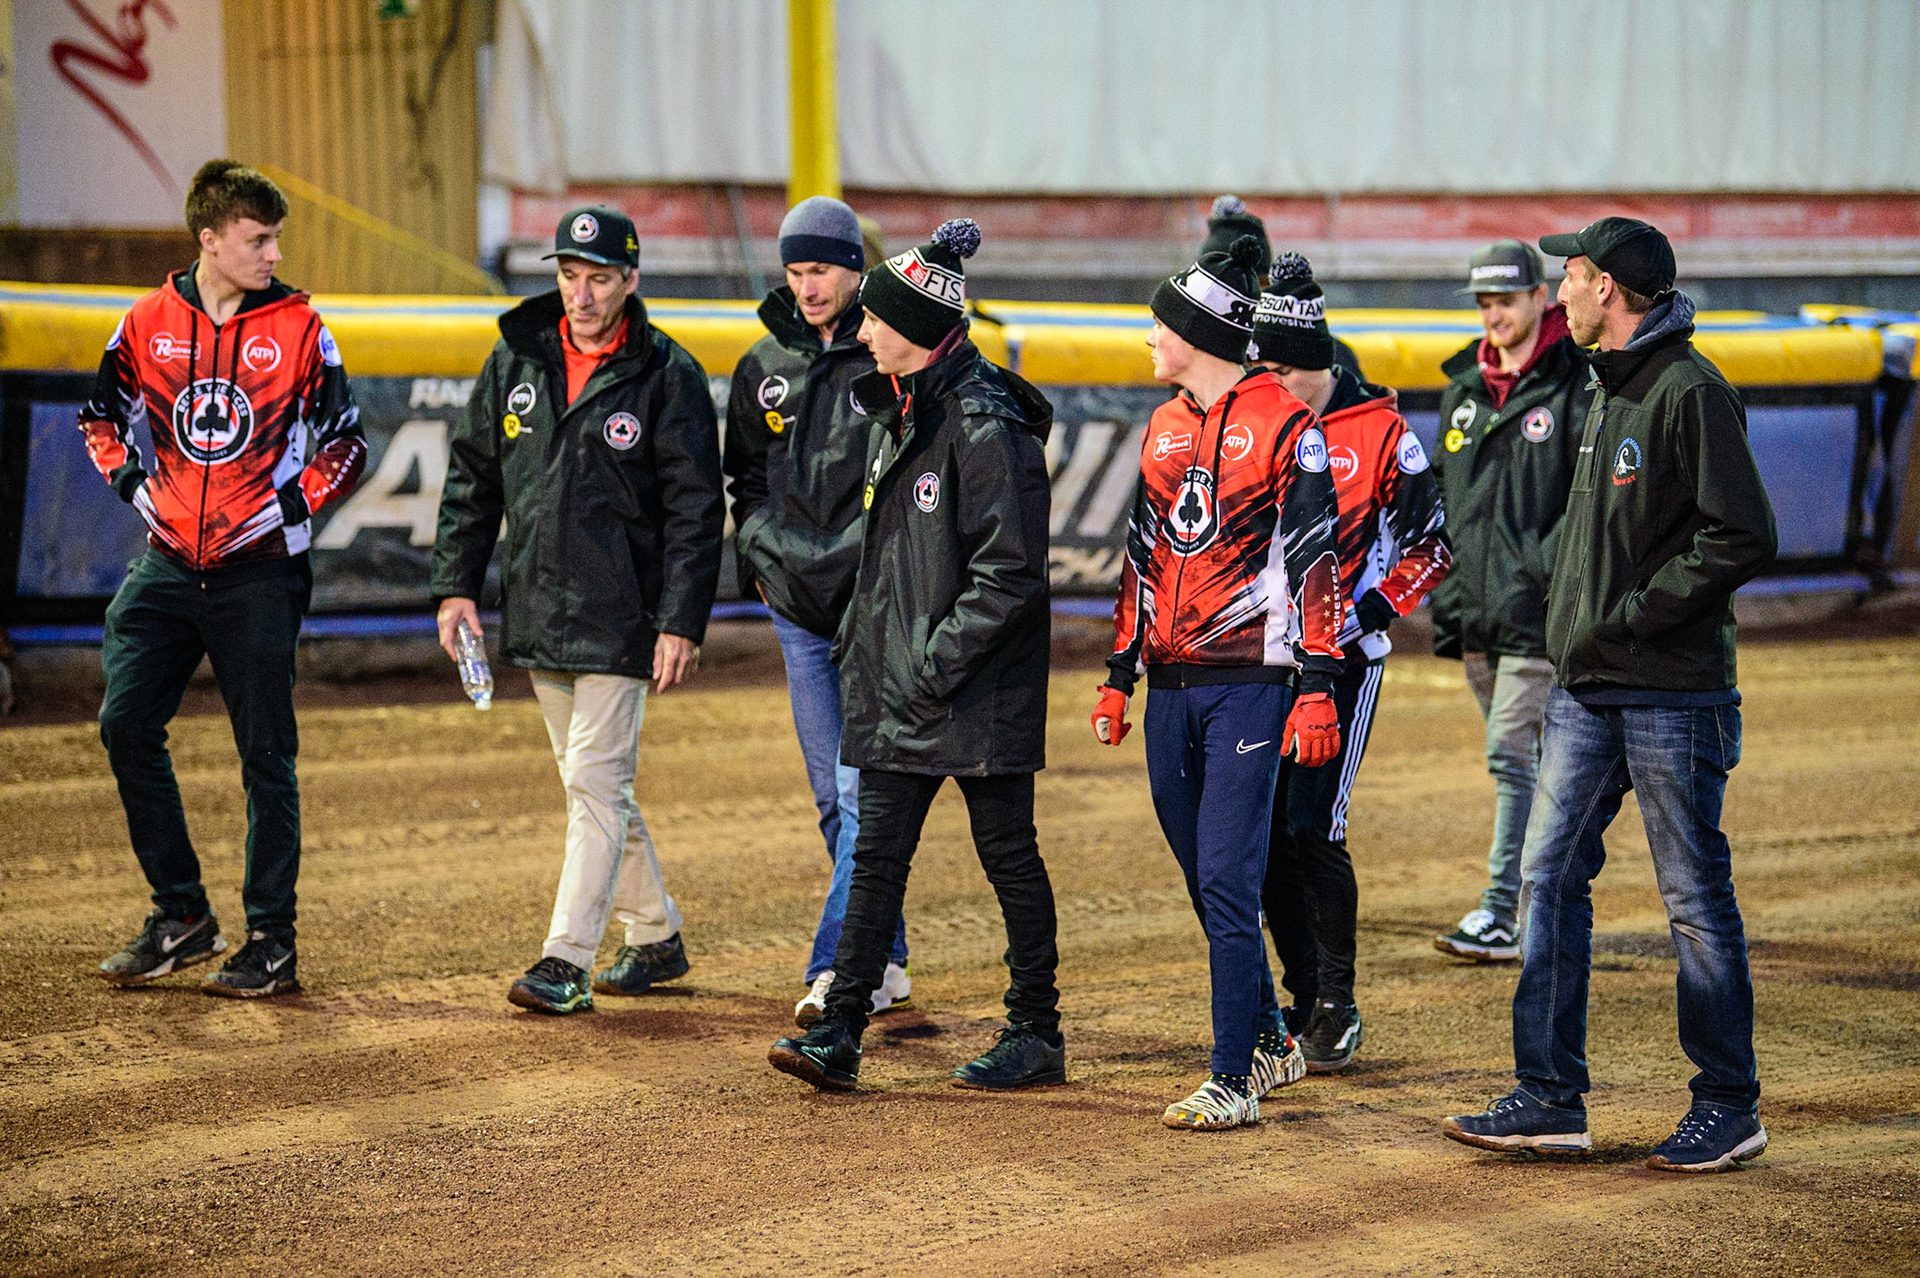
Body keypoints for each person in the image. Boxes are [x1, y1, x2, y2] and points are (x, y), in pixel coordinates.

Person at [1444, 218, 1777, 1174]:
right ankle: (1550, 1097)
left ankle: (1728, 1103)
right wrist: (1583, 624)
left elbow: (1743, 534)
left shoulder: (1688, 390)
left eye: (1573, 276)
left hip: (1671, 691)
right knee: (1547, 878)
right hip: (1592, 688)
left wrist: (1629, 616)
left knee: (1693, 899)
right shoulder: (1607, 387)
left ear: (1609, 289)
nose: (1560, 294)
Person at [767, 220, 1064, 1093]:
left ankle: (1037, 1031)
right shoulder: (898, 409)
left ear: (922, 330)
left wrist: (932, 665)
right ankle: (844, 1028)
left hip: (970, 688)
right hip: (911, 683)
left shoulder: (984, 424)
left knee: (1009, 857)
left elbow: (1009, 574)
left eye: (875, 319)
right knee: (877, 855)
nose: (860, 331)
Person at [432, 206, 723, 1015]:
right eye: (569, 276)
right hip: (539, 607)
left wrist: (681, 621)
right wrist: (456, 583)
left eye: (599, 278)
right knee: (593, 787)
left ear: (630, 281)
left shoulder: (669, 375)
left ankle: (566, 958)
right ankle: (656, 935)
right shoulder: (516, 359)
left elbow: (697, 513)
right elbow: (473, 477)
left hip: (623, 619)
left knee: (594, 783)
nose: (582, 294)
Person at [84, 160, 365, 998]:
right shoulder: (144, 321)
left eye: (275, 238)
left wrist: (286, 504)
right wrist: (137, 488)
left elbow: (347, 444)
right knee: (125, 725)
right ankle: (182, 916)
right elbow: (100, 418)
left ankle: (271, 941)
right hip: (166, 567)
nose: (273, 253)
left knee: (265, 758)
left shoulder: (303, 328)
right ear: (210, 240)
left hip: (260, 574)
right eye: (257, 238)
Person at [1093, 235, 1344, 1130]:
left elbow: (1320, 562)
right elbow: (1140, 558)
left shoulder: (1288, 425)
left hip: (1253, 684)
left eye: (1161, 324)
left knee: (1229, 880)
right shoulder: (1162, 424)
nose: (1149, 338)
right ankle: (1274, 1041)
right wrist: (1119, 673)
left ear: (1197, 332)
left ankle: (1233, 1073)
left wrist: (1317, 684)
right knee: (1206, 878)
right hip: (1170, 684)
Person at [1247, 254, 1450, 1071]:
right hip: (1262, 659)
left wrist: (1370, 610)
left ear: (1316, 365)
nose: (1271, 384)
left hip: (1348, 661)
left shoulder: (1383, 434)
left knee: (1312, 826)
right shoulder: (1255, 423)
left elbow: (1434, 547)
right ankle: (1297, 996)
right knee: (1259, 836)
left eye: (1283, 370)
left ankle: (1337, 1000)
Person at [723, 196, 911, 1026]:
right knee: (834, 801)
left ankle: (842, 965)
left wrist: (863, 570)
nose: (807, 286)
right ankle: (887, 955)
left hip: (868, 609)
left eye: (822, 271)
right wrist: (765, 558)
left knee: (859, 792)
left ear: (854, 269)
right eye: (796, 271)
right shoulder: (761, 361)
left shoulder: (888, 359)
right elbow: (745, 482)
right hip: (797, 611)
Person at [1428, 240, 1586, 963]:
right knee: (1545, 761)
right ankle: (1552, 899)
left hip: (1538, 614)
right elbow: (1447, 498)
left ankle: (1503, 909)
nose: (1494, 314)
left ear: (1539, 297)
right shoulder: (1463, 388)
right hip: (1477, 613)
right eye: (1483, 302)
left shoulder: (1574, 383)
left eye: (1505, 299)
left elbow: (1586, 509)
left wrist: (1545, 577)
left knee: (1510, 757)